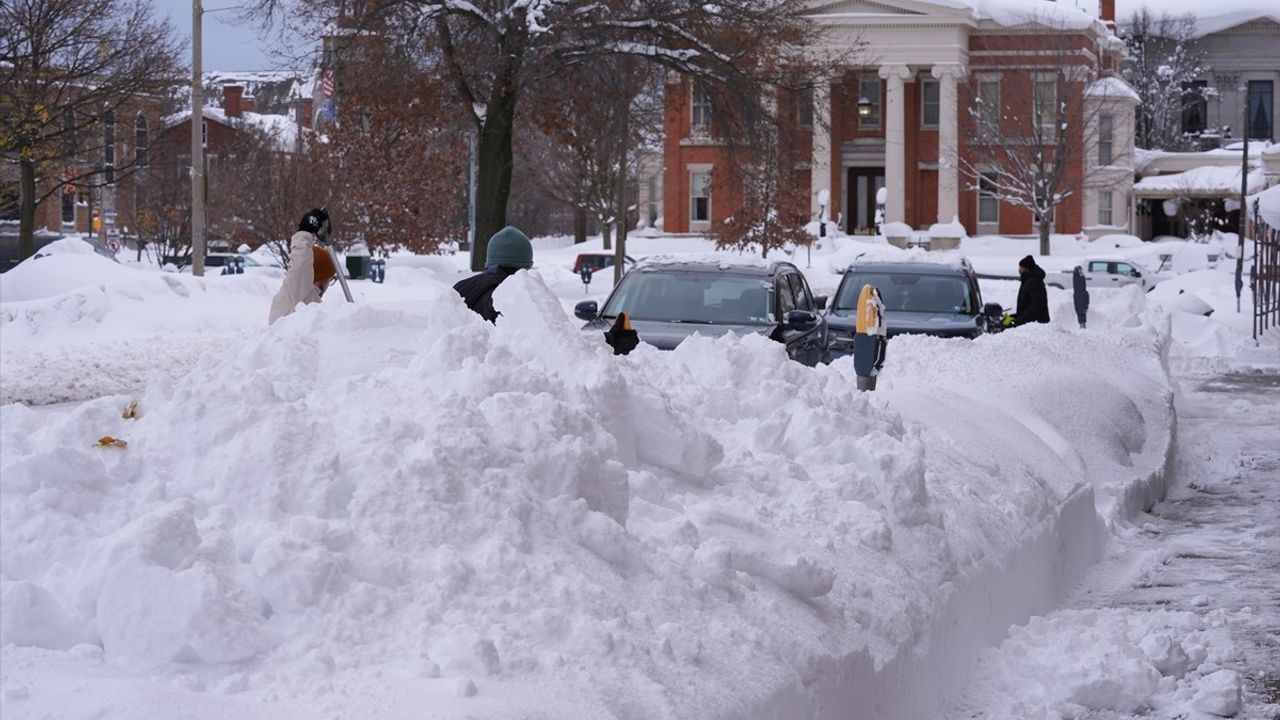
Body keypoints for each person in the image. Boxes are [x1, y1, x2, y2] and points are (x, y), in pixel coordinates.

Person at [453, 225, 638, 355]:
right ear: (526, 267)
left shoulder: (458, 293)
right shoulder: (517, 299)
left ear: (489, 262)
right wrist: (613, 342)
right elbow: (558, 350)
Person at [268, 208, 337, 325]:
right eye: (328, 279)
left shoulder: (309, 301)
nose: (328, 284)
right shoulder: (298, 292)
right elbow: (301, 264)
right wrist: (305, 230)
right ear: (319, 278)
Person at [1002, 254, 1050, 327]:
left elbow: (1037, 305)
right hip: (1026, 319)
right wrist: (1010, 318)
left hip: (1036, 324)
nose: (1019, 270)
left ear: (1027, 269)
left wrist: (1020, 320)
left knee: (1005, 325)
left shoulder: (1034, 282)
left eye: (1021, 267)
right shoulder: (1027, 280)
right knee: (1003, 323)